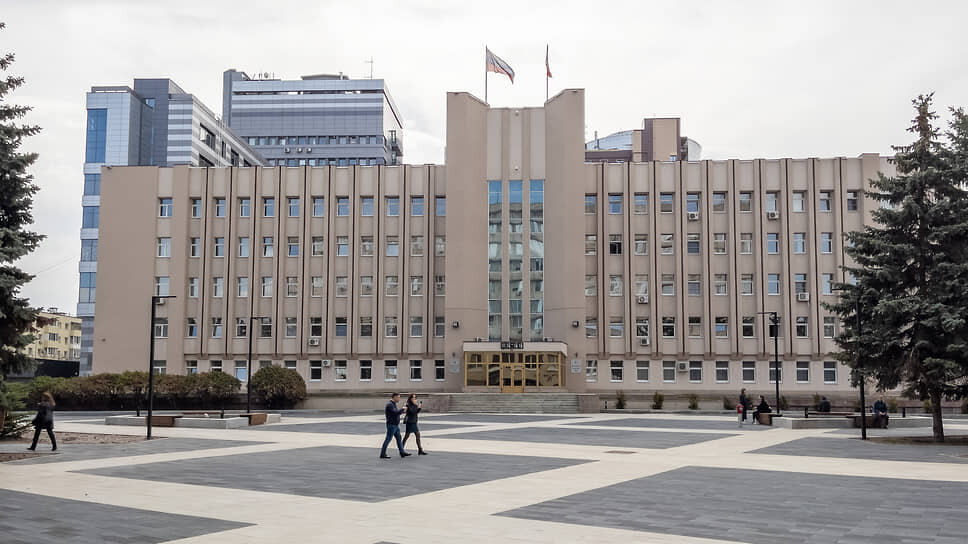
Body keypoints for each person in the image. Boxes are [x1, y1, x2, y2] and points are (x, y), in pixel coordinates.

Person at [380, 392, 410, 459]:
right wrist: (402, 409)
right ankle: (382, 454)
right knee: (388, 439)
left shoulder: (393, 404)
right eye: (398, 397)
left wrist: (402, 410)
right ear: (394, 397)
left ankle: (402, 452)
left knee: (399, 439)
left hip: (395, 425)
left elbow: (396, 413)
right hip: (391, 425)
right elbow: (395, 413)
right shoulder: (390, 405)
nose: (399, 399)